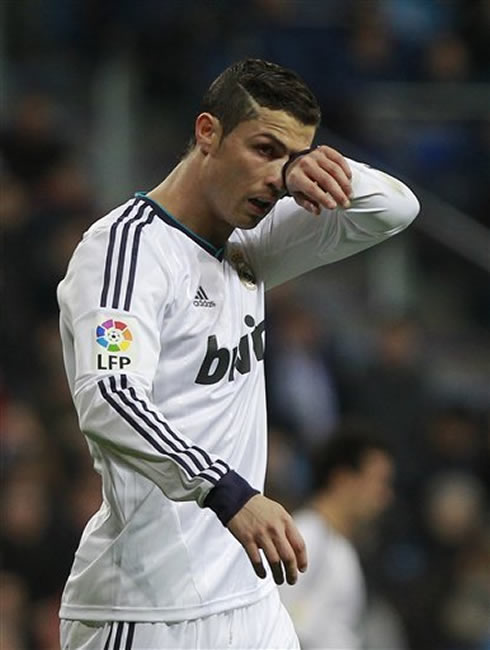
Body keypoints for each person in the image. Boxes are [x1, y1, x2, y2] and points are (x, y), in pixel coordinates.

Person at [57, 58, 419, 649]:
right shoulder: (125, 251)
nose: (279, 177)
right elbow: (110, 395)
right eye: (265, 149)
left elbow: (396, 208)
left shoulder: (248, 247)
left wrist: (318, 167)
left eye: (293, 158)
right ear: (208, 133)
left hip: (250, 601)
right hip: (149, 609)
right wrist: (226, 490)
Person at [279, 427, 396, 649]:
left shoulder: (341, 547)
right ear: (343, 479)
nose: (386, 495)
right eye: (379, 481)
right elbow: (281, 618)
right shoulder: (306, 535)